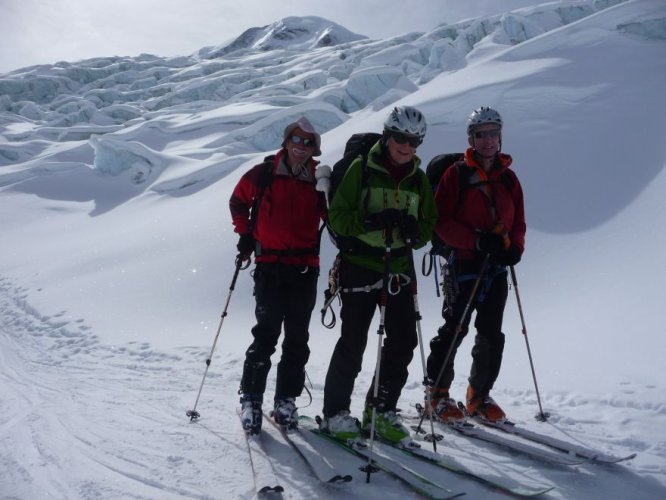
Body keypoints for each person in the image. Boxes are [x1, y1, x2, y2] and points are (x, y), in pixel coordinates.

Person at [320, 106, 437, 443]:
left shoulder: (418, 178)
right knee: (354, 342)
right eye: (401, 137)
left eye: (414, 140)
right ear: (388, 136)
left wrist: (416, 232)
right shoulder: (363, 169)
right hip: (359, 265)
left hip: (398, 269)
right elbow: (338, 217)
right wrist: (369, 221)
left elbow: (430, 223)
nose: (407, 145)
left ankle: (381, 409)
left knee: (402, 342)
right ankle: (336, 413)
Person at [425, 106, 526, 423]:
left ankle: (478, 396)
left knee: (491, 333)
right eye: (481, 134)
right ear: (471, 138)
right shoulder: (455, 175)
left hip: (496, 266)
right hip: (464, 264)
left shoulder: (508, 178)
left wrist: (516, 249)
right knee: (454, 329)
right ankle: (437, 395)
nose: (488, 140)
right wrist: (477, 242)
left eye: (493, 133)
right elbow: (441, 222)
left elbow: (519, 221)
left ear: (500, 137)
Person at [230, 117, 327, 434]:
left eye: (307, 142)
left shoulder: (319, 178)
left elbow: (334, 217)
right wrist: (245, 234)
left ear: (314, 148)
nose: (300, 147)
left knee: (298, 338)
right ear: (286, 142)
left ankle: (286, 400)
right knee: (267, 334)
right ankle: (251, 398)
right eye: (296, 140)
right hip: (270, 265)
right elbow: (238, 200)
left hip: (304, 267)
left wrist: (329, 193)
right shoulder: (264, 173)